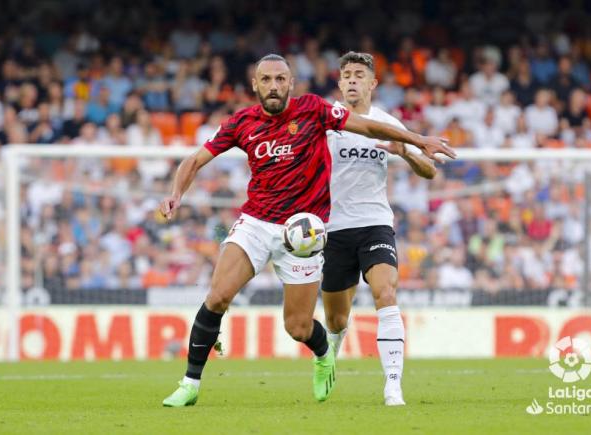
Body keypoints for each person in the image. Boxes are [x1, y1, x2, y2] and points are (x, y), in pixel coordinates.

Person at [159, 54, 455, 407]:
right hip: (256, 221)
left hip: (303, 232)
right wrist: (176, 193)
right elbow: (194, 159)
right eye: (265, 79)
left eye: (280, 79)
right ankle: (190, 383)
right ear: (254, 84)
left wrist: (416, 142)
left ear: (291, 83)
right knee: (218, 295)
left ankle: (325, 354)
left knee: (299, 326)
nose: (273, 86)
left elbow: (369, 127)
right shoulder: (241, 122)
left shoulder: (314, 110)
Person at [323, 52, 436, 407]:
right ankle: (330, 351)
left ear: (372, 84)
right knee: (336, 319)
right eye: (347, 75)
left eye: (359, 74)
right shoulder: (324, 122)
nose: (352, 80)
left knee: (385, 293)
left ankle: (392, 386)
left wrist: (405, 152)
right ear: (340, 83)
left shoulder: (389, 124)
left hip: (375, 224)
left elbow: (429, 171)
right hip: (334, 229)